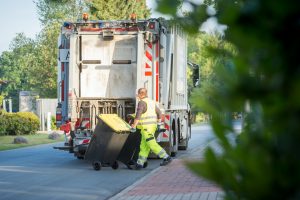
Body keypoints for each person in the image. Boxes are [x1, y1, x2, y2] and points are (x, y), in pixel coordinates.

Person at [131, 88, 172, 169]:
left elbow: (138, 115)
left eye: (138, 94)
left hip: (146, 128)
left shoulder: (141, 103)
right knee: (144, 145)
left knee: (151, 144)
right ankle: (140, 163)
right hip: (150, 127)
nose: (137, 96)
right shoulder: (151, 102)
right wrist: (159, 123)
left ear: (140, 94)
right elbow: (159, 113)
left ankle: (166, 157)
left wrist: (134, 126)